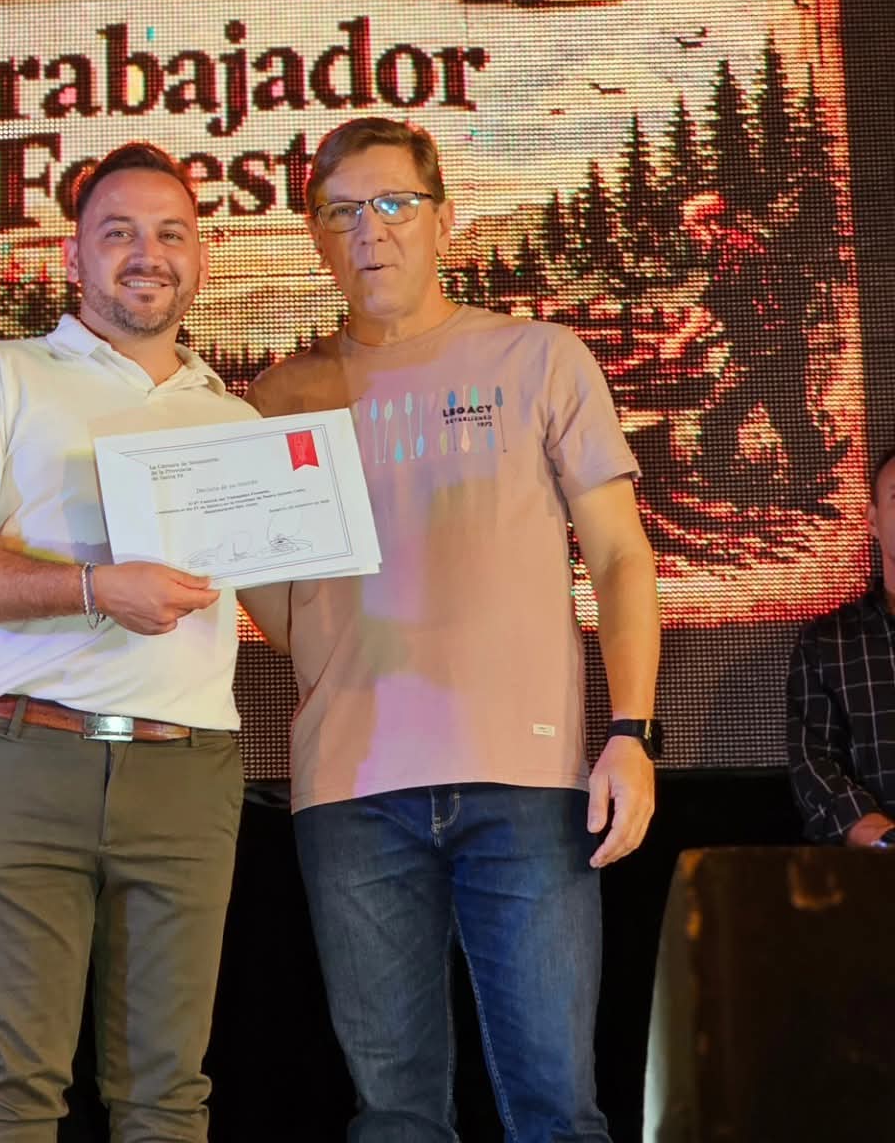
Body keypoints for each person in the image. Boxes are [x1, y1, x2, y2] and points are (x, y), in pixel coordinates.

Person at [241, 118, 661, 1143]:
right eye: (342, 211)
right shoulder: (279, 398)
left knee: (556, 1110)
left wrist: (632, 732)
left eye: (394, 203)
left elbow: (620, 557)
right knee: (393, 1118)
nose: (370, 230)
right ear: (316, 236)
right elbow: (277, 607)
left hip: (528, 783)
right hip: (348, 792)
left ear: (444, 220)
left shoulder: (539, 358)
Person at [0, 141, 255, 1142]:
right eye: (119, 232)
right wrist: (95, 589)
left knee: (168, 1099)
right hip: (23, 759)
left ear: (201, 257)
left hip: (187, 772)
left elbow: (282, 602)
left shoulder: (235, 419)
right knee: (13, 1091)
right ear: (72, 256)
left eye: (171, 233)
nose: (148, 253)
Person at [674, 190, 844, 495]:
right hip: (784, 344)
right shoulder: (750, 244)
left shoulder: (732, 250)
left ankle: (714, 479)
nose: (689, 234)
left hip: (760, 350)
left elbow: (714, 303)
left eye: (691, 226)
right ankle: (812, 469)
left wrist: (679, 341)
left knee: (720, 411)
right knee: (788, 413)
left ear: (710, 223)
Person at [788, 442, 895, 848]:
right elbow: (815, 768)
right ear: (873, 520)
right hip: (877, 873)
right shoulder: (826, 644)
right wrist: (881, 839)